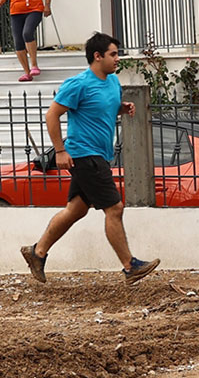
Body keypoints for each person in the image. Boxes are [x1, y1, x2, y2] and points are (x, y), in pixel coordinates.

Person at [20, 32, 158, 284]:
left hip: (101, 155)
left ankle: (37, 252)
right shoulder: (78, 84)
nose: (118, 59)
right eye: (113, 54)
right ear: (97, 56)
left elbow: (103, 106)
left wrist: (122, 107)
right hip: (84, 154)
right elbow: (52, 115)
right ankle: (130, 266)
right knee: (114, 208)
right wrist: (60, 151)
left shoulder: (113, 82)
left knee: (76, 210)